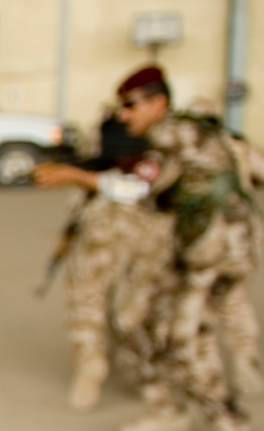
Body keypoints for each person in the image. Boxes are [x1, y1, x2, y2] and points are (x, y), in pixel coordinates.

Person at [37, 65, 264, 431]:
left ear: (159, 103)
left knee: (186, 336)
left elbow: (136, 189)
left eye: (132, 106)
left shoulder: (173, 135)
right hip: (195, 248)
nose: (125, 115)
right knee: (132, 317)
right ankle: (166, 410)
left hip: (217, 254)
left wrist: (75, 175)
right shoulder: (192, 134)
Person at [38, 105, 172, 410]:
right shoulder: (161, 145)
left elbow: (134, 188)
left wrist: (79, 176)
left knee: (97, 305)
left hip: (122, 235)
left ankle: (102, 367)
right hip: (131, 235)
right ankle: (128, 372)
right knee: (128, 308)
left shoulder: (159, 151)